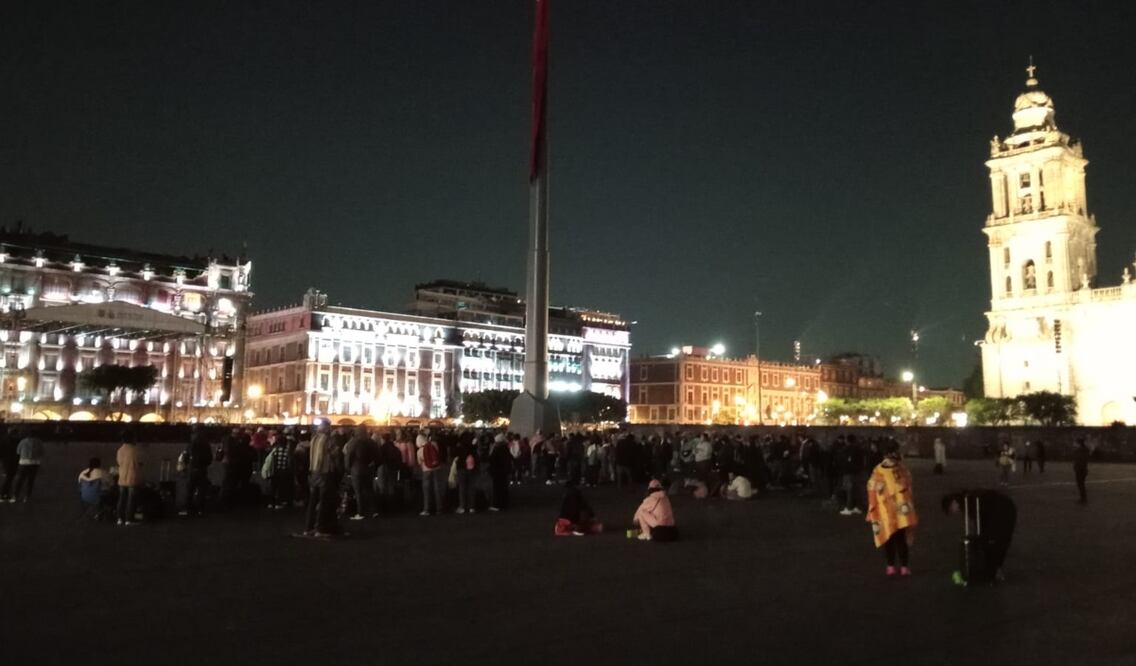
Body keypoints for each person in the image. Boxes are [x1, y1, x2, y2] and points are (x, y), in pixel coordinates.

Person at [942, 489, 1017, 583]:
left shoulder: (967, 502)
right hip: (1005, 508)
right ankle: (994, 569)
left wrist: (981, 536)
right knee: (1000, 541)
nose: (954, 512)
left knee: (993, 541)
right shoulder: (967, 499)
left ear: (953, 502)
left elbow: (980, 518)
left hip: (1001, 511)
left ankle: (992, 570)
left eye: (951, 510)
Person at [866, 444, 918, 576]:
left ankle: (890, 566)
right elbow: (909, 487)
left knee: (888, 539)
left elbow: (871, 489)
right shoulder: (902, 470)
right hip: (902, 512)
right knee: (901, 540)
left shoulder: (877, 471)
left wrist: (872, 509)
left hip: (885, 512)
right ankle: (904, 567)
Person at [303, 422, 343, 536]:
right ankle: (320, 528)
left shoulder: (314, 439)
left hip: (314, 471)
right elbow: (335, 453)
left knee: (313, 500)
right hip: (324, 472)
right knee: (324, 501)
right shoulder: (327, 439)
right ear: (327, 428)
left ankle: (308, 527)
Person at [343, 425, 377, 520]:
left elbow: (348, 457)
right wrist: (373, 465)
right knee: (369, 490)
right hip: (369, 469)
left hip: (356, 469)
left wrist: (347, 468)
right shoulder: (371, 442)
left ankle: (360, 512)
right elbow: (378, 456)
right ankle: (373, 511)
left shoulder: (353, 442)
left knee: (358, 492)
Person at [181, 425, 213, 516]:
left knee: (190, 489)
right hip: (202, 468)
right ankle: (200, 508)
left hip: (192, 468)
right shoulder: (205, 444)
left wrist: (186, 466)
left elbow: (185, 456)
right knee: (201, 489)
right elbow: (209, 458)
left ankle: (189, 509)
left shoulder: (191, 444)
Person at [116, 434, 143, 526]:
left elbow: (119, 462)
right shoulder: (135, 450)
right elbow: (139, 463)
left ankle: (119, 518)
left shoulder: (120, 450)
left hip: (122, 477)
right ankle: (128, 519)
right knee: (131, 499)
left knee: (121, 498)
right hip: (132, 477)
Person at [417, 430, 445, 516]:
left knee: (426, 490)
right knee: (437, 488)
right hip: (436, 468)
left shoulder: (420, 450)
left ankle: (426, 509)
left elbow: (419, 462)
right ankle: (439, 509)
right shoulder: (435, 445)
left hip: (426, 470)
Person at [13, 428, 45, 502]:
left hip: (23, 462)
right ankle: (27, 496)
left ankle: (15, 495)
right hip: (34, 462)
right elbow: (42, 453)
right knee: (30, 480)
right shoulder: (39, 442)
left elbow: (18, 451)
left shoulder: (23, 441)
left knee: (20, 480)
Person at [266, 432, 294, 510]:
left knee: (273, 487)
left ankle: (271, 503)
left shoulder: (274, 450)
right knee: (281, 488)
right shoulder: (288, 451)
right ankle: (278, 503)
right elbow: (289, 462)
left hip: (274, 471)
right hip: (284, 472)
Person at [488, 433, 511, 511]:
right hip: (504, 471)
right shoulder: (506, 448)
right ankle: (504, 503)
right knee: (503, 488)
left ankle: (497, 504)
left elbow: (492, 460)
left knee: (497, 488)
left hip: (497, 471)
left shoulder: (497, 449)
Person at [0, 425, 18, 502]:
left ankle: (5, 494)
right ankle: (4, 494)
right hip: (12, 461)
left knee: (9, 478)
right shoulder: (15, 441)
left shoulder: (4, 439)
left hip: (6, 461)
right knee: (9, 478)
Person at [1073, 438, 1089, 504]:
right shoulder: (1084, 450)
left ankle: (1083, 499)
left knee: (1080, 484)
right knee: (1081, 484)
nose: (1074, 444)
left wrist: (1076, 468)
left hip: (1080, 470)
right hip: (1082, 469)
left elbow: (1080, 461)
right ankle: (1083, 498)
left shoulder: (1080, 451)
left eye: (1075, 442)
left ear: (1078, 443)